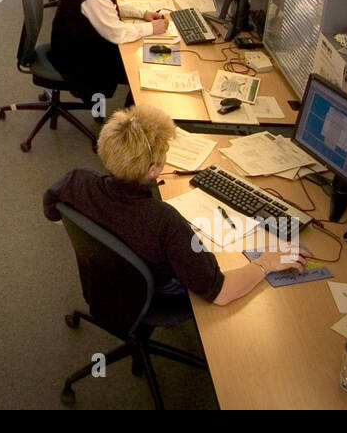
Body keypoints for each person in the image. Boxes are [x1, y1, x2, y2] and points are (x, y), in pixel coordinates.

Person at [43, 106, 307, 305]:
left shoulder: (78, 180)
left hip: (103, 281)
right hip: (156, 293)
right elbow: (221, 293)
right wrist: (267, 262)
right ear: (152, 169)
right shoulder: (164, 222)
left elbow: (53, 212)